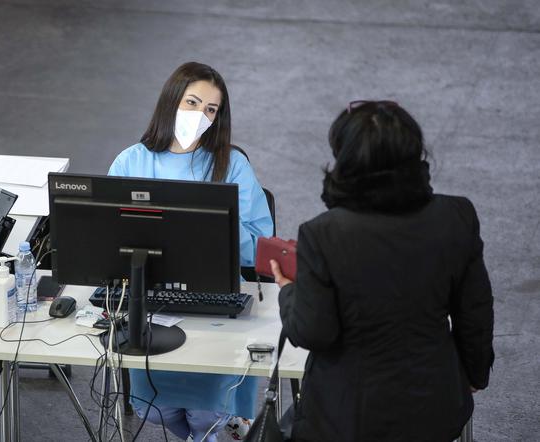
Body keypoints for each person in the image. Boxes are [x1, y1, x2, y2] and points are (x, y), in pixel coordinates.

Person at [272, 100, 495, 442]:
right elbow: (475, 314)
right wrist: (475, 374)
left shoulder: (323, 234)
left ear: (346, 162)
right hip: (435, 407)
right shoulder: (456, 216)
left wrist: (288, 291)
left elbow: (314, 332)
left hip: (346, 416)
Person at [108, 62, 274, 441]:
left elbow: (260, 241)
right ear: (171, 100)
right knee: (156, 412)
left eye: (211, 110)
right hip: (151, 304)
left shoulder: (231, 164)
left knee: (207, 417)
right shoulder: (132, 161)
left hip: (215, 299)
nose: (200, 115)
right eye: (193, 102)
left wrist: (214, 233)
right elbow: (107, 230)